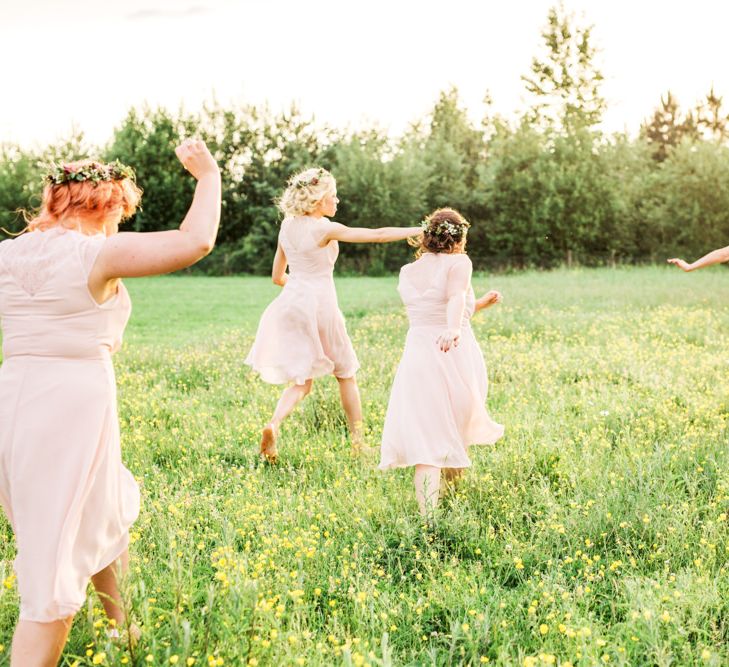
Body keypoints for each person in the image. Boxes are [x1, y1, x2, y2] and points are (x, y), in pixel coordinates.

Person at [0, 139, 221, 666]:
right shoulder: (94, 252)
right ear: (106, 204)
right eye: (120, 210)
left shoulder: (6, 254)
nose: (120, 221)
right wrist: (208, 176)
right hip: (70, 405)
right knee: (53, 564)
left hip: (15, 397)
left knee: (102, 505)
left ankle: (122, 632)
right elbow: (196, 241)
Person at [245, 167, 420, 462]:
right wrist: (418, 230)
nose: (337, 202)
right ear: (318, 199)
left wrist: (301, 288)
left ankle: (273, 424)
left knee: (301, 382)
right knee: (346, 374)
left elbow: (277, 276)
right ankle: (358, 443)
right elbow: (377, 236)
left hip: (291, 304)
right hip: (321, 306)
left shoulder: (287, 226)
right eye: (333, 196)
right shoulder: (323, 228)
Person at [378, 208, 504, 517]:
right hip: (453, 350)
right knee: (456, 424)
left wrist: (479, 305)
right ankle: (450, 502)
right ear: (459, 238)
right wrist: (452, 328)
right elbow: (454, 298)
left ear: (427, 237)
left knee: (428, 433)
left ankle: (429, 519)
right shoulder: (460, 262)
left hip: (418, 355)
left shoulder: (408, 271)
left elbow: (439, 307)